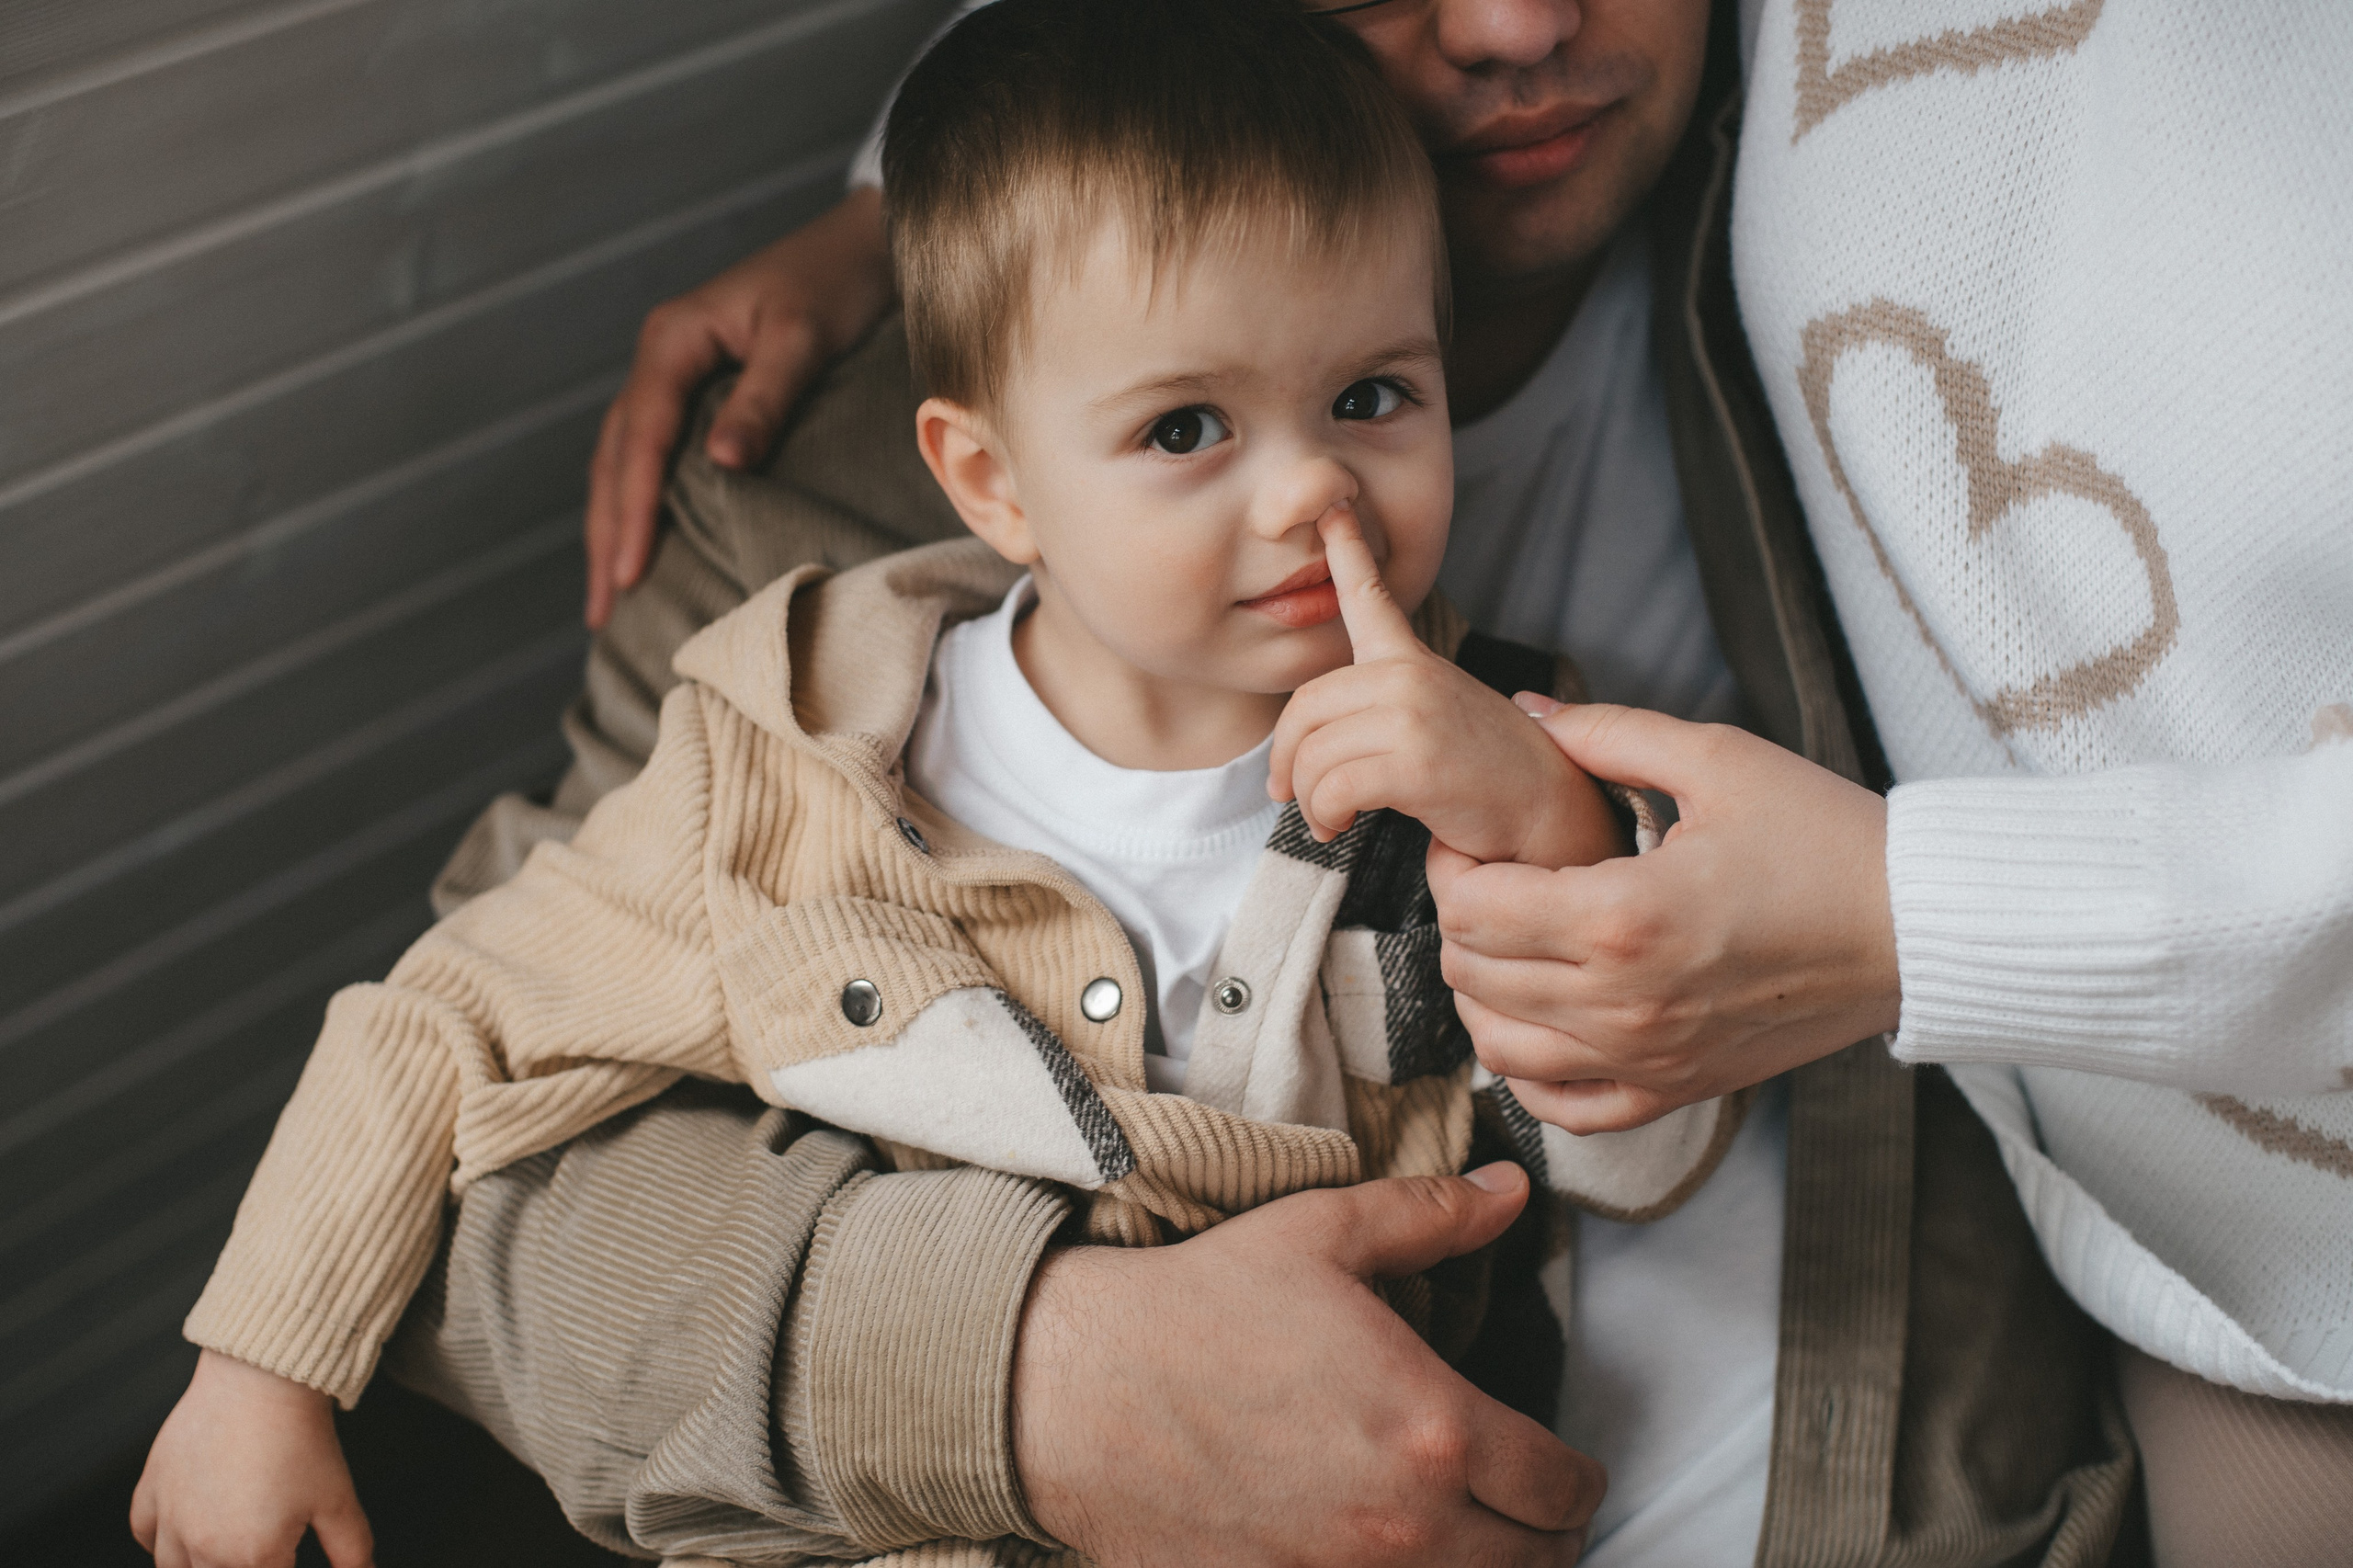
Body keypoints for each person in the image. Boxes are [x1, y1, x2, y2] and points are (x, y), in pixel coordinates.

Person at [146, 2, 2143, 1566]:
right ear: (987, 478)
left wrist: (1537, 830)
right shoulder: (806, 743)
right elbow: (462, 1025)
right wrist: (259, 1370)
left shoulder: (1489, 731)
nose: (1312, 489)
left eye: (1375, 397)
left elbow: (1637, 1148)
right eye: (1189, 428)